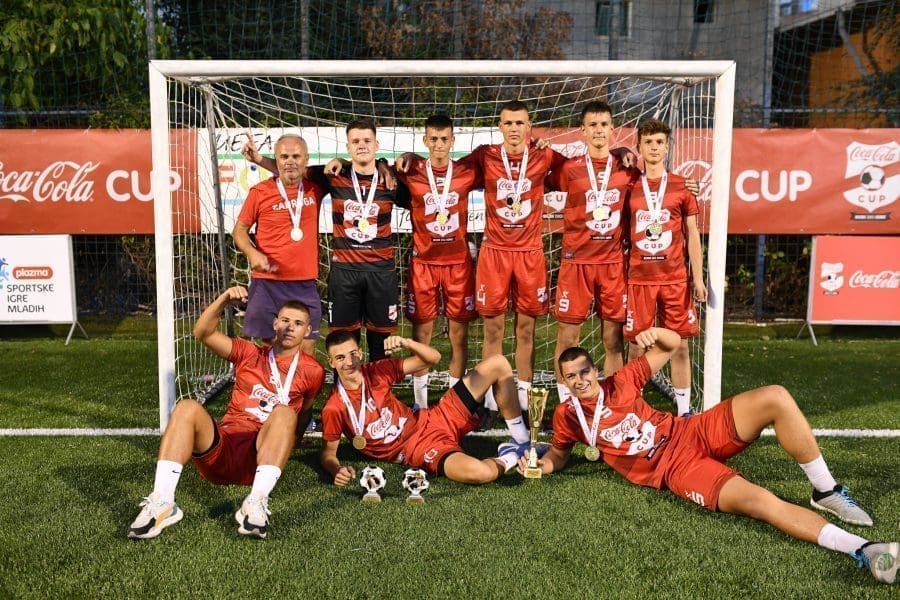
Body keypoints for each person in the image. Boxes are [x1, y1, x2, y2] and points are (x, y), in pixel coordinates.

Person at [519, 327, 898, 585]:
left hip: (690, 430)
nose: (581, 380)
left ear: (594, 369)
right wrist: (539, 465)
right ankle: (863, 549)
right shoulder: (566, 415)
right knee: (760, 501)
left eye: (584, 371)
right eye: (572, 376)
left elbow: (670, 344)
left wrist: (655, 333)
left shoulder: (621, 381)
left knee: (776, 396)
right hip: (676, 468)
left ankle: (825, 490)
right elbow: (559, 455)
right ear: (563, 381)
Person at [400, 100, 567, 419]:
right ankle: (491, 402)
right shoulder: (484, 156)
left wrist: (618, 154)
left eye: (520, 123)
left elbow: (582, 168)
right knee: (492, 332)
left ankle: (524, 404)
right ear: (500, 127)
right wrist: (408, 158)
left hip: (530, 253)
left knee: (526, 331)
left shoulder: (544, 155)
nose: (514, 129)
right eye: (508, 123)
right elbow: (444, 169)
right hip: (494, 254)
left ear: (529, 127)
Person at [127, 286, 325, 540]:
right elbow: (203, 332)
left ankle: (255, 502)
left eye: (298, 323)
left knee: (286, 413)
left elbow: (305, 412)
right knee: (187, 407)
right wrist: (223, 300)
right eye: (285, 320)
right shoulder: (249, 353)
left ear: (307, 331)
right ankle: (162, 502)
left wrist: (291, 442)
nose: (290, 327)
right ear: (275, 323)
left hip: (261, 458)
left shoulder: (313, 371)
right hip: (223, 448)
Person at [244, 119, 406, 363]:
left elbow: (421, 200)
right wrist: (258, 159)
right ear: (348, 147)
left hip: (381, 272)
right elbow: (292, 169)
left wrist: (386, 163)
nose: (362, 145)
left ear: (376, 144)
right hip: (345, 273)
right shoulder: (333, 175)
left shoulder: (391, 180)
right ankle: (344, 386)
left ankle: (379, 387)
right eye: (355, 141)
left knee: (380, 343)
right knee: (344, 341)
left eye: (367, 141)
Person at [320, 329, 546, 485]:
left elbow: (433, 358)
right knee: (479, 473)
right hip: (417, 448)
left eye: (353, 354)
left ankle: (522, 440)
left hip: (435, 417)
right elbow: (328, 454)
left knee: (498, 363)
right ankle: (511, 455)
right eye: (340, 358)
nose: (349, 362)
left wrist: (408, 343)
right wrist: (336, 470)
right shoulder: (334, 407)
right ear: (331, 362)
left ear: (360, 353)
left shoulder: (377, 371)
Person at [392, 114, 482, 409]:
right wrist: (405, 156)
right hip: (424, 265)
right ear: (425, 140)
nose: (439, 144)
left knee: (459, 337)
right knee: (422, 336)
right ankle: (420, 405)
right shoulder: (410, 170)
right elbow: (379, 166)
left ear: (453, 140)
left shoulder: (468, 171)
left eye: (444, 139)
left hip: (458, 265)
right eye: (433, 139)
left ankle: (454, 405)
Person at [547, 101, 634, 404]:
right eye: (593, 125)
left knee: (613, 339)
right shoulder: (568, 169)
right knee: (567, 338)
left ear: (613, 129)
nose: (599, 130)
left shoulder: (627, 170)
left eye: (604, 125)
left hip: (612, 264)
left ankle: (614, 403)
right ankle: (566, 405)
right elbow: (533, 178)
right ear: (582, 130)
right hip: (577, 263)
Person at [624, 118, 706, 416]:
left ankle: (684, 411)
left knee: (680, 345)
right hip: (639, 280)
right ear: (639, 147)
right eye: (648, 142)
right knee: (636, 346)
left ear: (667, 147)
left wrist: (698, 278)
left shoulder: (683, 186)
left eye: (659, 142)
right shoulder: (630, 185)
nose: (654, 147)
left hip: (675, 280)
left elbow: (693, 233)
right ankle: (632, 407)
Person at [233, 134, 327, 354]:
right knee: (270, 349)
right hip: (268, 283)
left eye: (296, 156)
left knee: (306, 348)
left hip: (304, 283)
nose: (290, 161)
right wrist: (251, 253)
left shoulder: (316, 187)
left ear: (306, 159)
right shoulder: (260, 192)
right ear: (276, 159)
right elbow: (239, 231)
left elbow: (351, 169)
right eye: (284, 157)